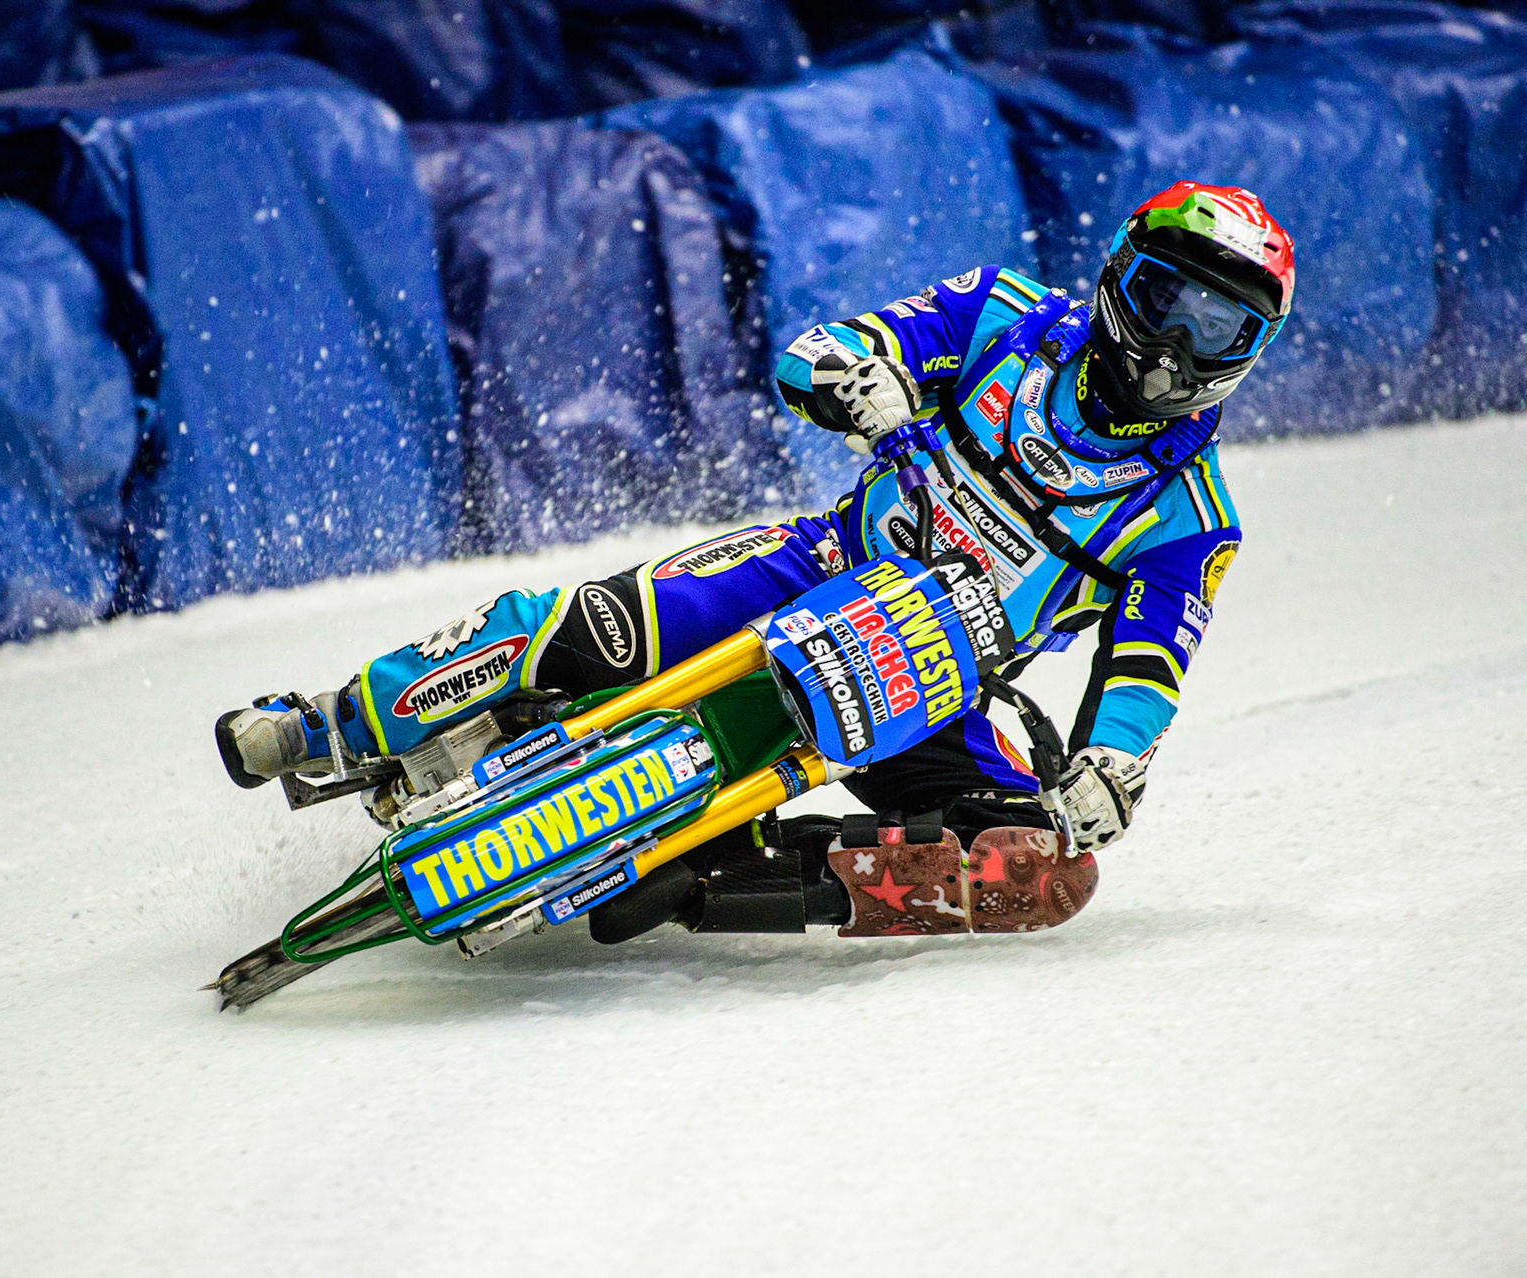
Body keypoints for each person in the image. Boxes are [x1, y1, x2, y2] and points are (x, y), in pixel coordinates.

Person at [214, 180, 1295, 942]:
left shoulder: (1193, 516)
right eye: (1168, 300)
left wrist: (1113, 768)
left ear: (1249, 357)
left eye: (1222, 329)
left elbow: (1151, 669)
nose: (1177, 348)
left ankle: (713, 883)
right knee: (590, 627)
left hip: (938, 681)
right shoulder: (1002, 315)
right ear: (1119, 274)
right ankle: (330, 720)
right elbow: (813, 350)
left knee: (1039, 872)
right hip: (816, 567)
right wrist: (862, 383)